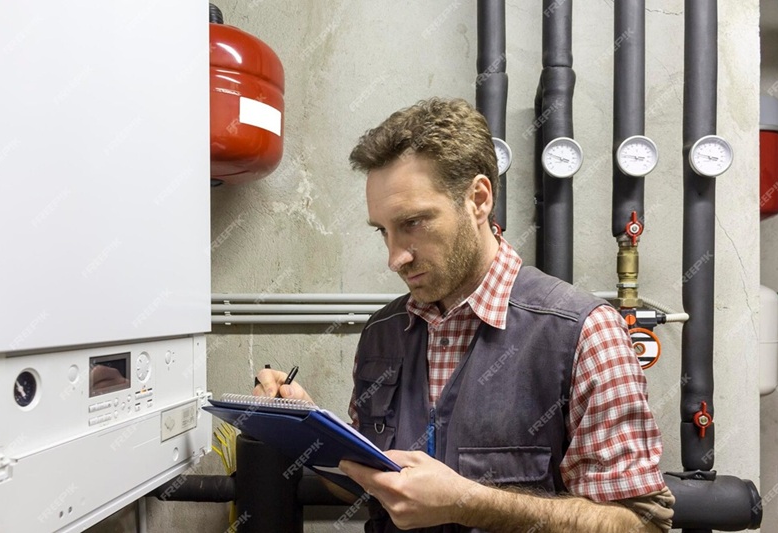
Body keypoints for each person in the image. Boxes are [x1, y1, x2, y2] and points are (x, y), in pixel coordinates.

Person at [255, 97, 675, 532]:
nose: (395, 256)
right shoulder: (383, 333)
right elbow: (369, 486)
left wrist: (465, 502)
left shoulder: (584, 333)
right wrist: (310, 427)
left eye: (414, 222)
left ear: (478, 198)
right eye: (384, 231)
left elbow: (640, 524)